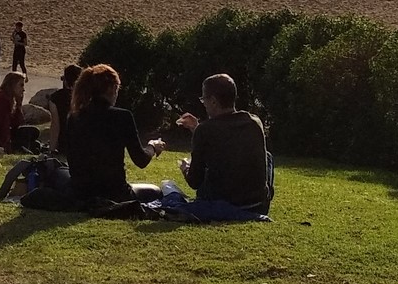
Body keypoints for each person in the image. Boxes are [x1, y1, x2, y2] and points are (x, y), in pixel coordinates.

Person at [172, 73, 273, 221]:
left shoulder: (205, 130)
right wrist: (198, 128)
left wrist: (186, 168)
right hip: (257, 204)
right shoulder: (254, 122)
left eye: (204, 99)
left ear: (213, 101)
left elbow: (195, 182)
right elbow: (228, 140)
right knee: (268, 157)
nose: (203, 103)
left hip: (222, 200)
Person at [61, 64, 165, 206]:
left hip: (81, 191)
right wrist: (152, 147)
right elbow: (140, 160)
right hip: (114, 192)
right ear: (111, 88)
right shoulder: (122, 116)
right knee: (155, 191)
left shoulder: (74, 117)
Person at [0, 71, 34, 152]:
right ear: (12, 85)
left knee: (31, 133)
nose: (23, 89)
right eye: (21, 85)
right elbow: (4, 125)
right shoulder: (2, 100)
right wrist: (6, 147)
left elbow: (17, 123)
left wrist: (18, 105)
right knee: (29, 134)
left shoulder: (8, 98)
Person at [47, 63, 82, 153]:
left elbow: (55, 125)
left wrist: (51, 149)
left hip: (65, 144)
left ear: (65, 80)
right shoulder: (85, 97)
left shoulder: (55, 98)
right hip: (83, 144)